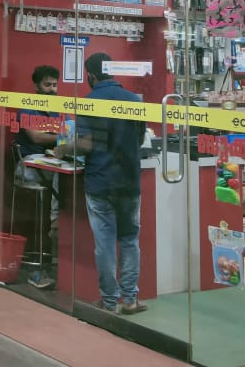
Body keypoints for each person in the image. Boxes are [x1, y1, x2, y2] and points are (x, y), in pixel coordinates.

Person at [54, 52, 147, 315]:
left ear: (91, 76)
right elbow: (140, 140)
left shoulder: (89, 102)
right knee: (129, 240)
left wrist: (63, 150)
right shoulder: (133, 100)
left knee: (104, 243)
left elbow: (86, 144)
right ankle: (130, 300)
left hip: (100, 183)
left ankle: (109, 302)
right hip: (129, 182)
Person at [14, 65, 62, 290]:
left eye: (54, 84)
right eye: (47, 85)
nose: (52, 89)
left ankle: (56, 232)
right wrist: (62, 138)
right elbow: (36, 136)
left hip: (50, 165)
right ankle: (41, 263)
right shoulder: (28, 106)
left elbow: (60, 132)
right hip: (30, 167)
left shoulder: (55, 107)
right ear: (36, 86)